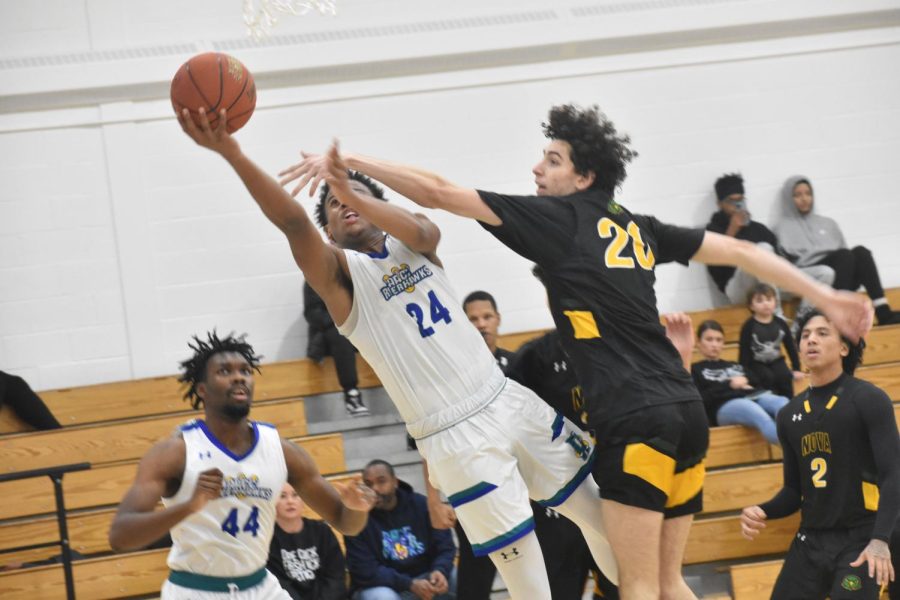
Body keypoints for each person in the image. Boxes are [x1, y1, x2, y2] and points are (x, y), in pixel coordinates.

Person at [281, 103, 873, 598]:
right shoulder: (637, 224)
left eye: (552, 159)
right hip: (687, 409)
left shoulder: (556, 219)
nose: (537, 167)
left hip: (634, 417)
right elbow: (740, 253)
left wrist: (347, 162)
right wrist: (824, 293)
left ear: (583, 177)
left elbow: (437, 194)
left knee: (638, 586)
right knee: (669, 583)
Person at [178, 107, 618, 600]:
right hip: (453, 435)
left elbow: (425, 229)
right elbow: (290, 220)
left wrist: (348, 186)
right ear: (329, 232)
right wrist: (233, 153)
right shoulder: (341, 279)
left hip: (505, 398)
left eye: (356, 199)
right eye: (334, 209)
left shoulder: (417, 239)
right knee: (525, 575)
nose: (345, 207)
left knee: (603, 515)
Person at [107, 331, 375, 599]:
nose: (238, 377)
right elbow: (120, 537)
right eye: (224, 371)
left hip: (260, 588)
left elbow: (345, 522)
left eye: (245, 371)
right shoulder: (175, 452)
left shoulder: (281, 450)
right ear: (203, 390)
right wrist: (189, 506)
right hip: (196, 591)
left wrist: (356, 507)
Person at [740, 310, 900, 598]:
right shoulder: (788, 415)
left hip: (861, 538)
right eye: (805, 335)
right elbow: (793, 491)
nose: (811, 339)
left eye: (822, 333)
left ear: (843, 347)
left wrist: (880, 539)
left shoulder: (868, 399)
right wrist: (763, 510)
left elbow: (893, 474)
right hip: (810, 540)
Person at [776, 175, 900, 326]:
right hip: (815, 278)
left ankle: (883, 311)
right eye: (798, 195)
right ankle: (840, 314)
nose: (804, 199)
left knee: (861, 252)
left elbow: (846, 256)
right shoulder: (782, 228)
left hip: (841, 276)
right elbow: (787, 267)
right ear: (789, 198)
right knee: (844, 256)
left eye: (808, 193)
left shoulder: (828, 224)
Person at [706, 173, 834, 310]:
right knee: (761, 249)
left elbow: (779, 262)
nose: (737, 205)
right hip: (738, 287)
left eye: (741, 200)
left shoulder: (758, 229)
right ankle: (776, 314)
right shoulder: (712, 230)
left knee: (825, 273)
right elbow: (717, 268)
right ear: (720, 204)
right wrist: (732, 230)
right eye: (731, 201)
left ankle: (803, 319)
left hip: (772, 281)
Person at [346, 460, 456, 600]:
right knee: (383, 597)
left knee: (452, 575)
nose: (375, 489)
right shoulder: (357, 519)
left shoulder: (421, 505)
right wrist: (409, 584)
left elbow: (445, 546)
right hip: (383, 587)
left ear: (395, 482)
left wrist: (439, 570)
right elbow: (365, 570)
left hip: (426, 578)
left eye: (381, 481)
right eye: (368, 484)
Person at [691, 319, 789, 445]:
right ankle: (797, 451)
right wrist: (729, 385)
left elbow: (756, 381)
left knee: (783, 403)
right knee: (759, 414)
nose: (714, 344)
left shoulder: (734, 365)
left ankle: (804, 443)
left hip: (753, 396)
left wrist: (746, 380)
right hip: (723, 406)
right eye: (709, 339)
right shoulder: (695, 370)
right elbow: (701, 399)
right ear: (699, 343)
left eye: (718, 340)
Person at [268, 483, 347, 600]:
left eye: (295, 495)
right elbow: (278, 583)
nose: (290, 501)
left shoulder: (322, 531)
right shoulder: (268, 539)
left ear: (303, 501)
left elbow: (335, 576)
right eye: (282, 496)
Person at [304, 281, 370, 416]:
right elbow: (312, 314)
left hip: (354, 332)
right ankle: (352, 394)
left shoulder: (350, 274)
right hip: (327, 338)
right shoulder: (312, 279)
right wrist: (341, 320)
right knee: (339, 331)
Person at [738, 283, 805, 399]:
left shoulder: (780, 323)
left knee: (784, 375)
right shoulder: (748, 326)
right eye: (760, 301)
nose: (765, 304)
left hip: (777, 361)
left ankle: (789, 403)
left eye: (769, 299)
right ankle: (770, 403)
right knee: (767, 377)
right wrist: (745, 374)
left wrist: (797, 368)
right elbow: (743, 353)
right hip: (757, 363)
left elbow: (790, 347)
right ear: (751, 306)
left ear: (775, 302)